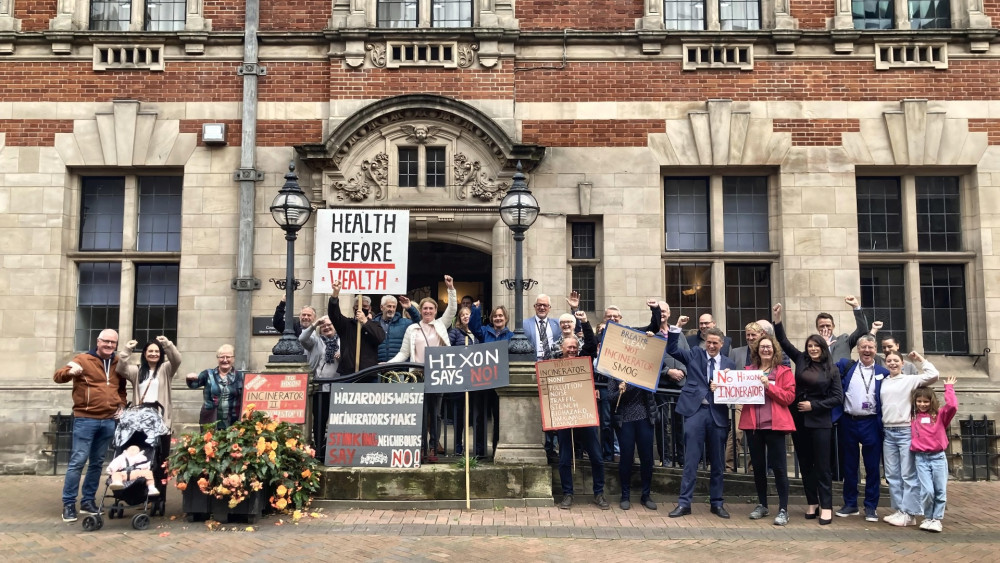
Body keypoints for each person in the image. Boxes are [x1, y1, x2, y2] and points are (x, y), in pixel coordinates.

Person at [773, 303, 843, 525]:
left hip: (820, 420)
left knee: (822, 466)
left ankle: (827, 506)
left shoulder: (831, 370)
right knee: (805, 463)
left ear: (823, 348)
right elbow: (783, 342)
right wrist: (778, 320)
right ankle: (812, 502)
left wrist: (814, 406)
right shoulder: (801, 359)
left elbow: (837, 398)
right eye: (810, 346)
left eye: (816, 346)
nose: (812, 349)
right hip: (799, 420)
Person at [54, 329, 126, 523]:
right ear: (98, 341)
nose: (110, 345)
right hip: (85, 419)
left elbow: (121, 389)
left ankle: (88, 502)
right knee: (78, 462)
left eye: (113, 343)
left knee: (96, 463)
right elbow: (58, 376)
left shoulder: (118, 362)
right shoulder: (82, 359)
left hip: (108, 420)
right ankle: (69, 504)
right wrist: (71, 372)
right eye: (106, 342)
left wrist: (121, 405)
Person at [666, 319, 735, 519]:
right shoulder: (695, 354)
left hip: (718, 415)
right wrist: (676, 328)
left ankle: (717, 503)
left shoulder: (729, 364)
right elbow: (672, 349)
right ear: (704, 341)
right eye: (709, 342)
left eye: (715, 343)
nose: (711, 346)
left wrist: (727, 382)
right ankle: (684, 503)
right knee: (691, 461)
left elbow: (736, 391)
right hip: (695, 412)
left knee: (718, 463)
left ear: (722, 344)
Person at [389, 275, 457, 463]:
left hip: (437, 375)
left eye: (431, 308)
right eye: (425, 308)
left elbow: (452, 309)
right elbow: (404, 353)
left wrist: (450, 289)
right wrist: (388, 364)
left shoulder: (441, 325)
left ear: (435, 311)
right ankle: (421, 448)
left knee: (435, 413)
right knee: (420, 413)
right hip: (417, 376)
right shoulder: (412, 329)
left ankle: (434, 447)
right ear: (421, 310)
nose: (427, 311)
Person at [731, 336, 795, 526]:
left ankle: (783, 509)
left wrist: (769, 387)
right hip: (753, 427)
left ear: (774, 350)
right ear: (757, 350)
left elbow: (789, 397)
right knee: (758, 467)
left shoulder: (784, 371)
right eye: (762, 347)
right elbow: (735, 388)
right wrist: (724, 380)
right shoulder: (748, 371)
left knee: (779, 468)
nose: (765, 350)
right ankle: (762, 504)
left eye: (768, 347)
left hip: (774, 426)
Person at [834, 334, 890, 522]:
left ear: (876, 350)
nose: (867, 350)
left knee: (872, 466)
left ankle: (871, 506)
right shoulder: (846, 366)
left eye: (871, 347)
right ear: (858, 349)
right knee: (849, 465)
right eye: (864, 347)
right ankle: (850, 504)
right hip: (848, 421)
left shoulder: (884, 372)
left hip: (871, 422)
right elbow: (827, 372)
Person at [880, 349, 939, 527]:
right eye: (889, 361)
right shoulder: (883, 382)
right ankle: (900, 510)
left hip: (905, 431)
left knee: (908, 474)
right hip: (888, 431)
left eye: (896, 360)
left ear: (902, 363)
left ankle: (910, 512)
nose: (892, 363)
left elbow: (933, 374)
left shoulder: (910, 380)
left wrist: (920, 359)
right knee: (892, 474)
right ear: (885, 363)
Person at [554, 336, 609, 511]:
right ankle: (567, 494)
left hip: (585, 416)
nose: (572, 350)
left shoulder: (583, 362)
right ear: (562, 348)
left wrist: (584, 321)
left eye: (574, 347)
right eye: (569, 347)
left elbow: (592, 345)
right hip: (565, 416)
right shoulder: (554, 366)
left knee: (597, 458)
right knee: (564, 459)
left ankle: (599, 493)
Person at [911, 374, 958, 533]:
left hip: (938, 457)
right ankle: (928, 517)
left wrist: (949, 389)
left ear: (931, 401)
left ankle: (937, 519)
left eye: (926, 401)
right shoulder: (912, 416)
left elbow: (952, 406)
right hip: (921, 458)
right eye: (919, 401)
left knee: (940, 490)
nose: (922, 404)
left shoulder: (939, 415)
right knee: (927, 491)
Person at [468, 303, 512, 456]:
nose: (498, 318)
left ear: (506, 318)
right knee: (480, 416)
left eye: (501, 316)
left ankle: (496, 450)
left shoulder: (511, 336)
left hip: (500, 382)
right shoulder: (485, 332)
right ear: (491, 318)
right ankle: (479, 451)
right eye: (495, 316)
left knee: (498, 417)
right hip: (482, 380)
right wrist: (476, 310)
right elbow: (473, 326)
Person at [608, 378, 659, 511]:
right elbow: (610, 397)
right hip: (625, 420)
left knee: (647, 458)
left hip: (644, 417)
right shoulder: (615, 374)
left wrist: (633, 384)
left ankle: (646, 495)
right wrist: (620, 391)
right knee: (626, 457)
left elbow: (652, 385)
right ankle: (625, 496)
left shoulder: (643, 371)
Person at [523, 293, 562, 462]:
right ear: (534, 306)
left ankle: (551, 446)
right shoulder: (525, 324)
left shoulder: (556, 325)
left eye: (545, 305)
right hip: (534, 367)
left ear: (549, 308)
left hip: (551, 369)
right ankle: (536, 443)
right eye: (539, 305)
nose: (542, 307)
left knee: (551, 409)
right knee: (535, 407)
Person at [116, 336, 182, 429]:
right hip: (140, 416)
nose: (154, 354)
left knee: (160, 443)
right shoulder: (137, 370)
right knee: (141, 443)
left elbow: (177, 360)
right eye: (150, 351)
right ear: (144, 353)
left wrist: (167, 344)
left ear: (161, 354)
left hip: (160, 415)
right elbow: (121, 369)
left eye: (157, 351)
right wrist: (127, 350)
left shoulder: (166, 369)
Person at [328, 280, 387, 375]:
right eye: (357, 306)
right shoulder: (346, 324)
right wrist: (335, 294)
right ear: (353, 309)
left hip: (369, 374)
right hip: (348, 373)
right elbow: (334, 314)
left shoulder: (375, 325)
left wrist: (365, 322)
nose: (360, 309)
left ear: (370, 309)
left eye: (365, 306)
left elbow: (380, 338)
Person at [186, 344, 245, 429]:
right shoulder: (208, 374)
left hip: (234, 422)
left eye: (228, 357)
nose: (225, 360)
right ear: (217, 358)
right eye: (221, 357)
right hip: (210, 421)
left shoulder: (240, 376)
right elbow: (193, 385)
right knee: (209, 442)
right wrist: (189, 378)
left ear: (233, 358)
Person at [448, 305, 480, 455]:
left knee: (473, 414)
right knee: (459, 415)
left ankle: (475, 446)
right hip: (459, 379)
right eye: (463, 315)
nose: (466, 317)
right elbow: (448, 349)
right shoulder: (455, 332)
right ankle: (458, 445)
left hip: (474, 379)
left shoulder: (476, 333)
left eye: (468, 314)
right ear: (459, 318)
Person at [815, 296, 869, 363]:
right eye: (822, 326)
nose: (825, 328)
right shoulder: (813, 346)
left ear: (833, 326)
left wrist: (856, 307)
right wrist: (822, 345)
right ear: (817, 328)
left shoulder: (844, 340)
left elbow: (863, 330)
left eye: (828, 325)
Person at [374, 295, 419, 363]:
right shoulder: (373, 324)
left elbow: (419, 323)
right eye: (389, 306)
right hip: (377, 367)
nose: (391, 309)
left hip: (398, 367)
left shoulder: (404, 323)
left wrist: (410, 308)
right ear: (381, 307)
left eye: (394, 307)